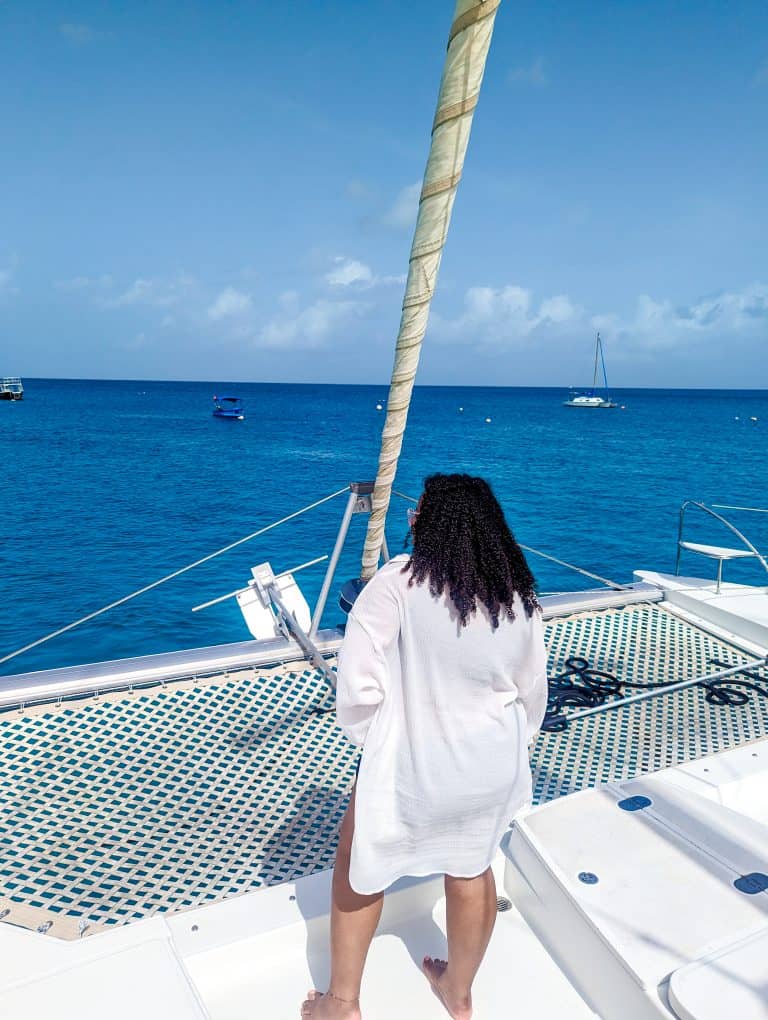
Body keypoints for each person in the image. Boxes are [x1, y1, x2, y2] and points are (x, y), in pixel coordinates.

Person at [302, 473, 548, 1020]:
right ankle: (457, 992)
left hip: (416, 764)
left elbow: (359, 686)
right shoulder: (515, 593)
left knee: (360, 858)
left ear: (425, 524)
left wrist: (387, 747)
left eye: (418, 512)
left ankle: (341, 1003)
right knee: (472, 868)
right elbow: (532, 693)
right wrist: (511, 755)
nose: (411, 519)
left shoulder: (398, 581)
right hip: (492, 766)